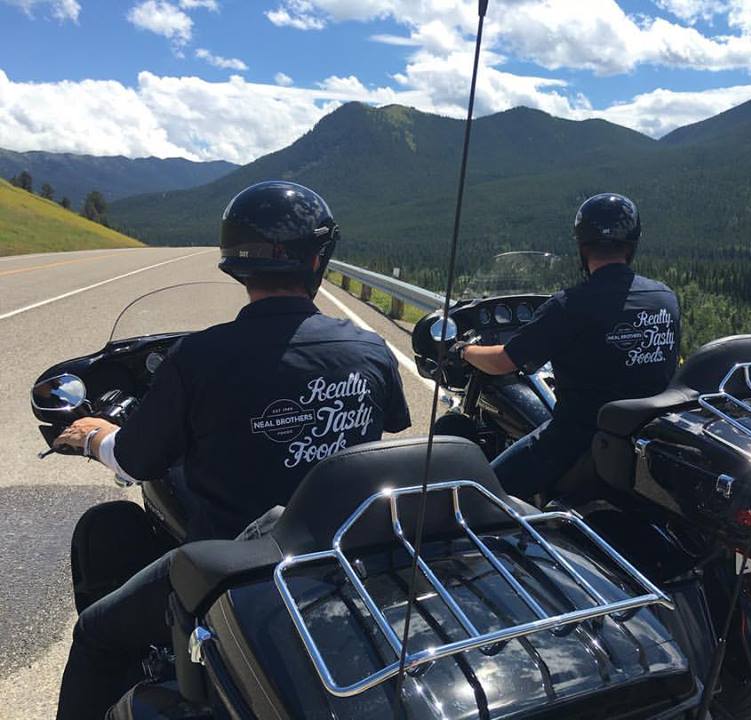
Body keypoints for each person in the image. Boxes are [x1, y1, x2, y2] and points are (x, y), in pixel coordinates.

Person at [52, 180, 411, 719]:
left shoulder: (198, 357)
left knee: (96, 634)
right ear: (318, 259)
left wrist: (93, 436)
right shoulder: (369, 346)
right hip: (344, 554)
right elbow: (388, 424)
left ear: (236, 265)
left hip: (232, 570)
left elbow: (135, 461)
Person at [455, 193, 680, 500]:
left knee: (482, 495)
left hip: (578, 438)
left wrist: (463, 351)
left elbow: (505, 361)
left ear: (582, 245)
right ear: (632, 243)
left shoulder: (569, 304)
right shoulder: (665, 297)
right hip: (645, 437)